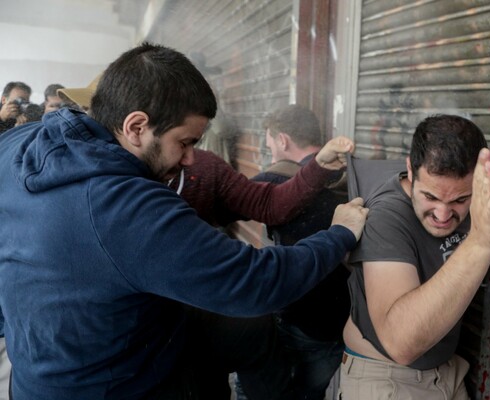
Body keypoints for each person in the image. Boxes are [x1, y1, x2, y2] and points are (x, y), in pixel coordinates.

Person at [0, 42, 369, 400]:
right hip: (115, 383)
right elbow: (256, 281)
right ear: (135, 126)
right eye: (185, 142)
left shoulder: (19, 146)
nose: (192, 158)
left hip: (42, 370)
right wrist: (339, 234)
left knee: (248, 332)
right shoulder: (125, 206)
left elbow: (266, 203)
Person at [340, 114, 490, 400]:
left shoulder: (475, 197)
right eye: (430, 197)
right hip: (386, 378)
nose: (443, 215)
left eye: (459, 200)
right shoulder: (385, 216)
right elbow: (400, 342)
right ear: (410, 170)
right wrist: (480, 243)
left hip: (447, 371)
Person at [248, 104, 350, 400]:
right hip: (340, 322)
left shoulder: (274, 181)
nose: (268, 147)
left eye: (269, 139)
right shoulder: (352, 173)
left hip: (296, 320)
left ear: (282, 139)